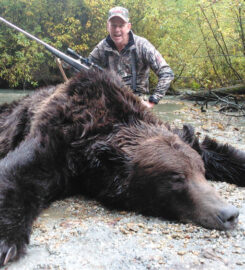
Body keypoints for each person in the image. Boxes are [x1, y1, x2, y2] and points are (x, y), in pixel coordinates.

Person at [89, 6, 174, 108]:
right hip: (110, 104)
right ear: (108, 26)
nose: (117, 30)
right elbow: (86, 70)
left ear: (128, 27)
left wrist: (152, 101)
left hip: (137, 105)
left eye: (121, 25)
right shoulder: (102, 47)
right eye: (113, 25)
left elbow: (167, 73)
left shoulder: (142, 45)